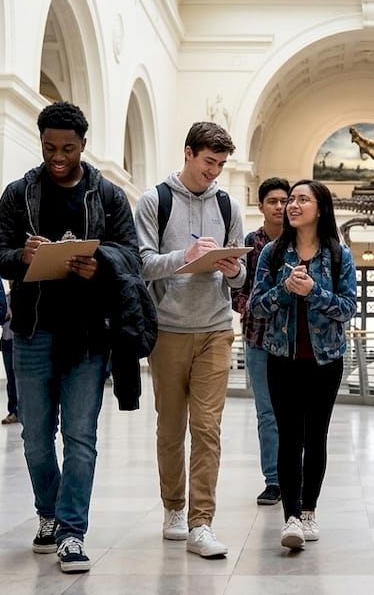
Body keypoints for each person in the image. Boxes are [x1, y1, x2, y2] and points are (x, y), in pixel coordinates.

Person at [0, 100, 144, 574]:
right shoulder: (19, 194)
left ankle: (72, 531)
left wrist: (100, 264)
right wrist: (24, 255)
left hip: (88, 333)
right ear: (41, 143)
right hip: (32, 329)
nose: (58, 156)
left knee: (80, 436)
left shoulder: (109, 196)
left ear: (83, 144)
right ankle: (49, 513)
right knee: (36, 437)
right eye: (50, 147)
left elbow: (131, 256)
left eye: (68, 148)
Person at [135, 121, 245, 559]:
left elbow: (239, 277)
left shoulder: (229, 205)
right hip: (167, 329)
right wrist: (188, 256)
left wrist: (235, 271)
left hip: (216, 328)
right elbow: (142, 264)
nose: (213, 172)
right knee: (170, 427)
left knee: (208, 428)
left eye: (220, 165)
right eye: (208, 162)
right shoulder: (154, 201)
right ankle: (173, 508)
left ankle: (202, 522)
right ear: (188, 153)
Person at [249, 180, 357, 550]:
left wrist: (313, 291)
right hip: (282, 358)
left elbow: (347, 308)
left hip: (326, 360)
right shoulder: (272, 255)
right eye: (290, 199)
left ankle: (309, 510)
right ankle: (291, 517)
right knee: (288, 435)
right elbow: (256, 306)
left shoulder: (339, 255)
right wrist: (285, 289)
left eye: (301, 200)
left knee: (316, 436)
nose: (292, 206)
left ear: (320, 209)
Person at [231, 177, 291, 506]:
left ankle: (293, 476)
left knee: (294, 411)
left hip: (295, 343)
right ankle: (273, 480)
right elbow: (238, 292)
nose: (280, 206)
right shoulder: (249, 244)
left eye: (285, 200)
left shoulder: (302, 243)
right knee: (266, 412)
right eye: (273, 201)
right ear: (261, 206)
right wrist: (261, 308)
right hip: (257, 340)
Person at [0, 307, 19, 425]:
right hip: (7, 341)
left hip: (22, 340)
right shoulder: (5, 299)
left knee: (21, 379)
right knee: (11, 379)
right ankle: (13, 411)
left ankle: (23, 411)